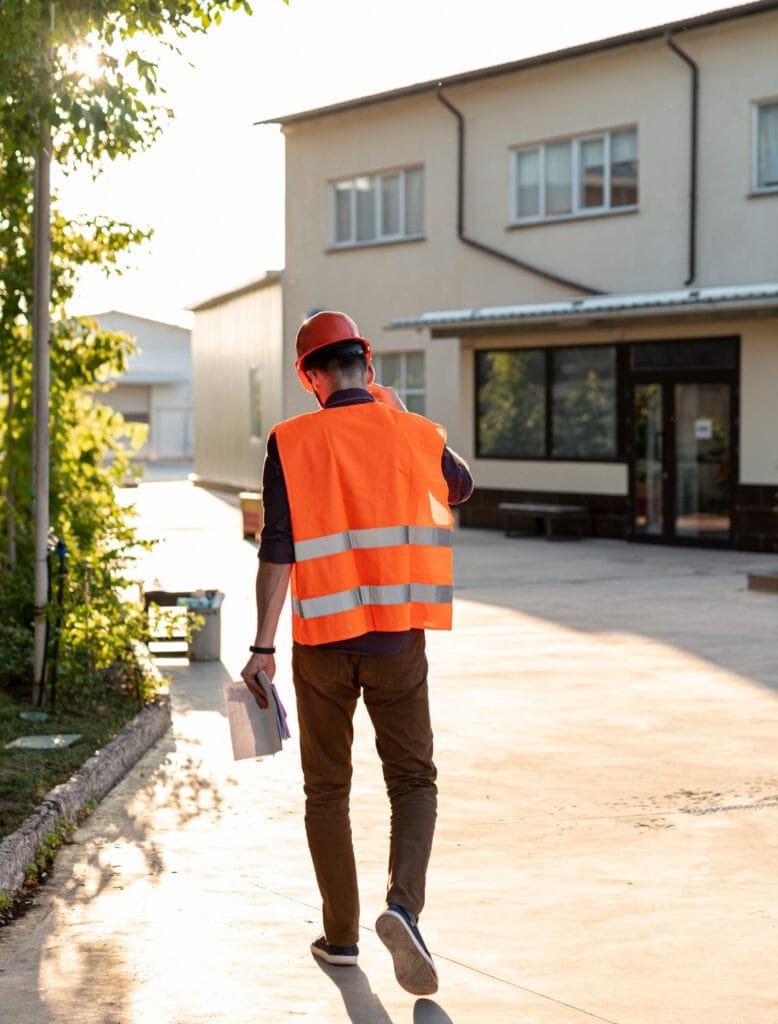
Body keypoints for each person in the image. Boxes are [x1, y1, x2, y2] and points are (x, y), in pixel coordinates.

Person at [240, 310, 473, 997]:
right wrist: (398, 416)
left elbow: (277, 549)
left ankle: (341, 937)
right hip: (397, 639)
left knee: (326, 790)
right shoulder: (409, 430)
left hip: (321, 645)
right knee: (413, 781)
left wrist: (261, 647)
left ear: (310, 377)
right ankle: (403, 909)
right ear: (367, 368)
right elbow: (461, 486)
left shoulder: (290, 441)